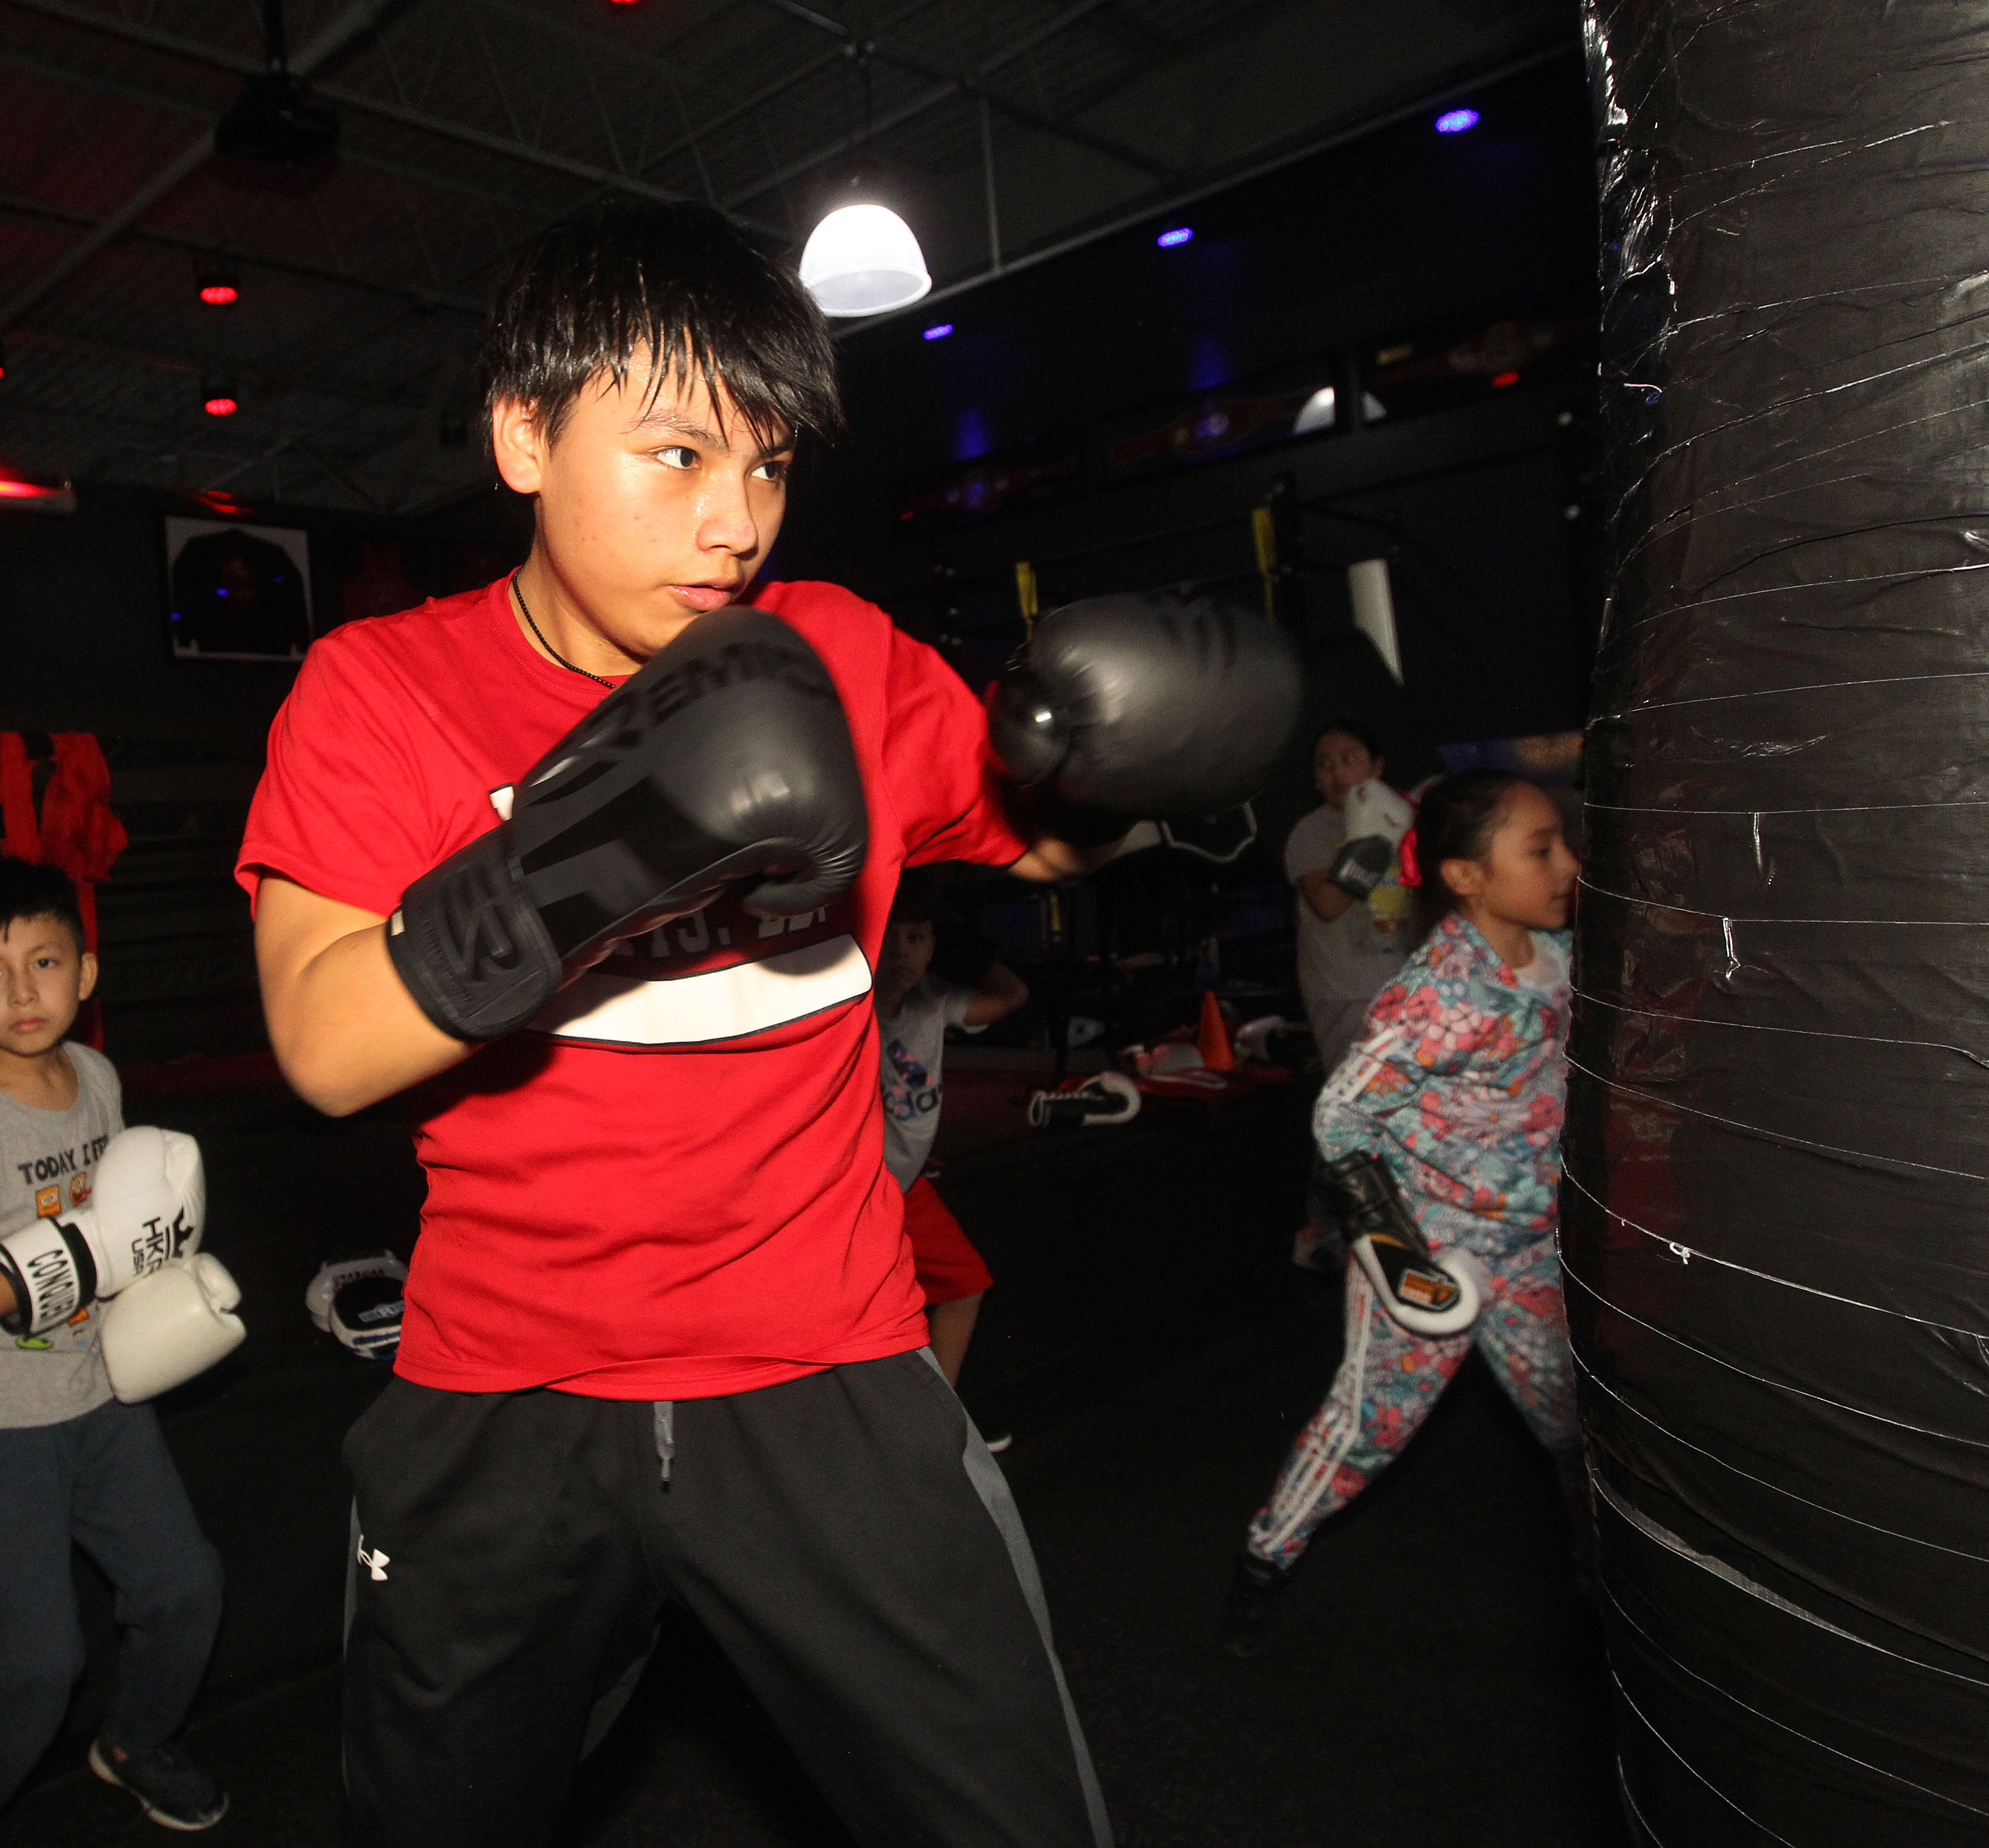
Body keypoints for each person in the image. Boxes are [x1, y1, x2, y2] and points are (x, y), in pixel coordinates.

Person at [240, 200, 1290, 1847]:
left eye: (769, 464)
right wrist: (606, 842)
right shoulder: (382, 688)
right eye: (675, 455)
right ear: (524, 431)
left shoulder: (840, 653)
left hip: (830, 1374)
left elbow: (1039, 832)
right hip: (503, 1389)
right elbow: (321, 1035)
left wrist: (1127, 777)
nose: (732, 520)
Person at [1224, 771, 1584, 1657]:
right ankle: (1264, 1562)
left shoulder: (1565, 957)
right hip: (1434, 1249)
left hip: (1531, 1245)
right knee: (1367, 1429)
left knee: (1582, 1429)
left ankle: (1614, 1593)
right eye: (1540, 851)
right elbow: (1341, 1113)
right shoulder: (1439, 995)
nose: (1569, 864)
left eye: (1562, 842)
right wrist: (1397, 1255)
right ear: (1466, 878)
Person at [0, 858, 227, 1842]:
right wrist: (102, 1246)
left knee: (184, 1588)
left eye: (44, 960)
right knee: (36, 1663)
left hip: (99, 1382)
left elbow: (126, 1219)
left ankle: (130, 1742)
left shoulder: (96, 1077)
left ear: (86, 973)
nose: (24, 989)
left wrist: (164, 1273)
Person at [873, 880, 1029, 1389]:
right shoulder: (848, 1007)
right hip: (853, 1186)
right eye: (890, 937)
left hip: (905, 1182)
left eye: (916, 938)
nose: (901, 951)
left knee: (966, 1284)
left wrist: (968, 948)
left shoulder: (933, 1001)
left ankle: (947, 1418)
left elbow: (1012, 996)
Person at [1284, 720, 1414, 1063]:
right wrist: (1372, 842)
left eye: (1349, 758)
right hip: (1344, 993)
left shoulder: (1408, 819)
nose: (1336, 772)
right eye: (1324, 764)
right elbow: (1327, 905)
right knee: (1360, 1104)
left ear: (1377, 766)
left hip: (1409, 985)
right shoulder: (1311, 832)